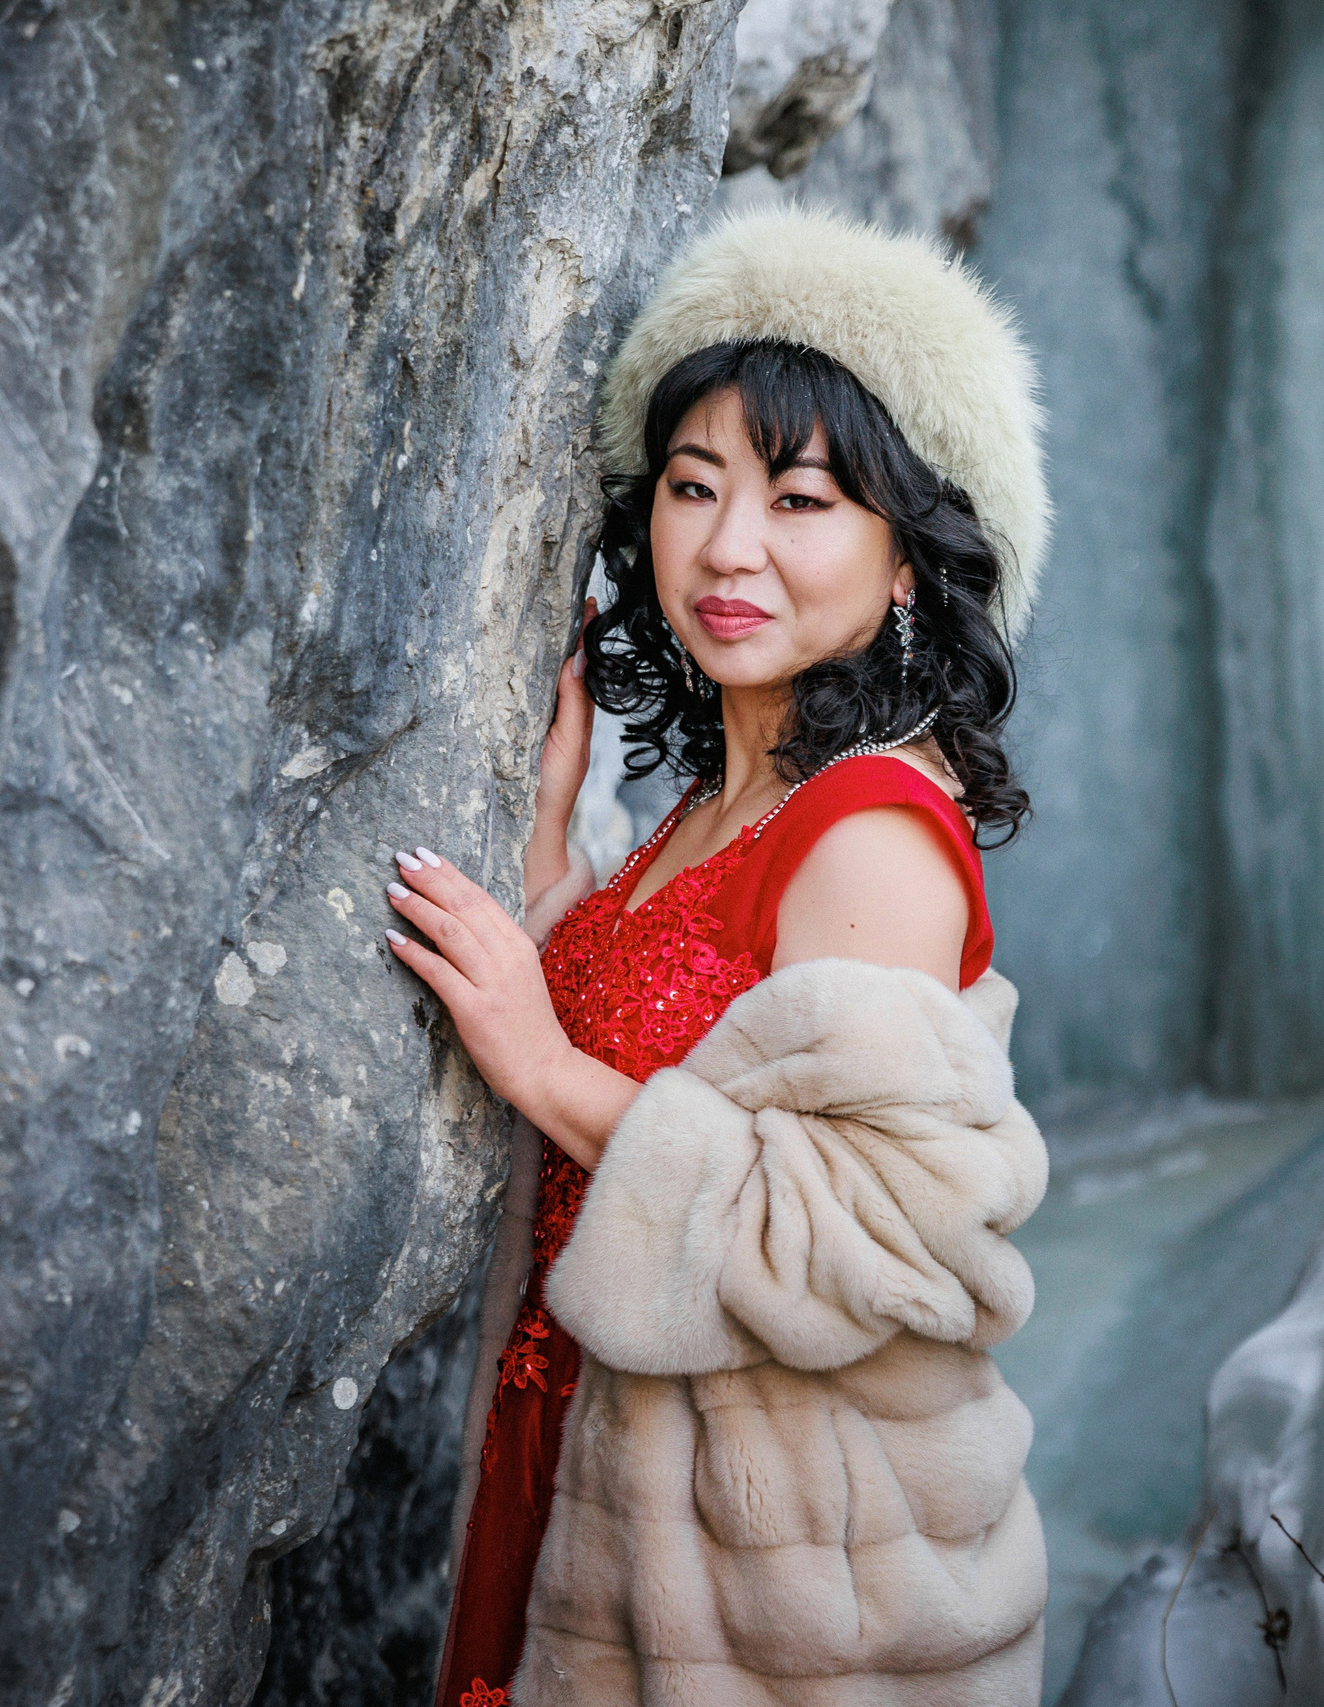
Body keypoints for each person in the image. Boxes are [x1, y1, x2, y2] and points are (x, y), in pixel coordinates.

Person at [383, 208, 1054, 1707]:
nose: (729, 546)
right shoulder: (725, 802)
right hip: (606, 1476)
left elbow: (882, 1232)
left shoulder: (871, 829)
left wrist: (539, 1064)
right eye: (695, 487)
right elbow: (670, 1046)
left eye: (802, 501)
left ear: (906, 564)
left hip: (780, 1570)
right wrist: (551, 850)